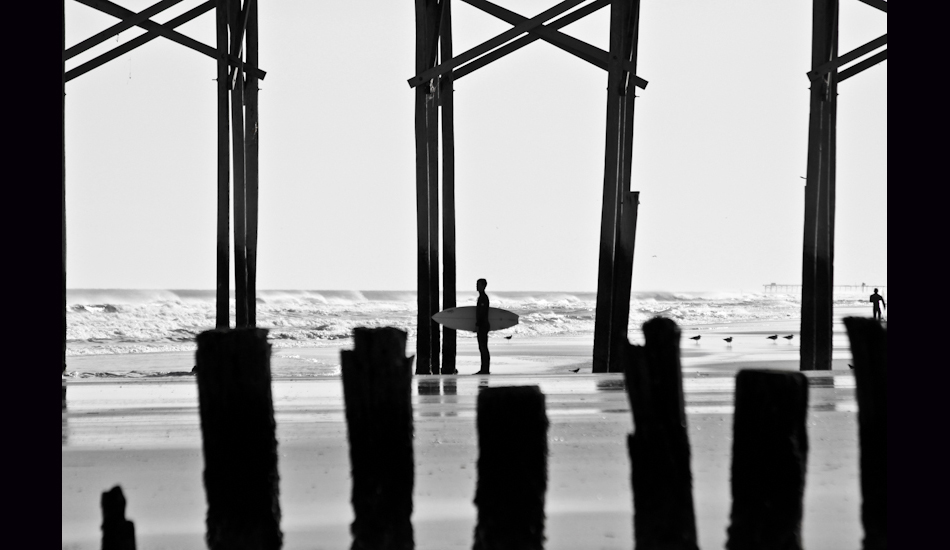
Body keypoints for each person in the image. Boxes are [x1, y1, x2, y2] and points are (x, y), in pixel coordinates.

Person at [474, 278, 491, 374]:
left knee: (483, 347)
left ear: (483, 286)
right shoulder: (482, 297)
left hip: (483, 325)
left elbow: (482, 313)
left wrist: (477, 325)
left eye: (478, 284)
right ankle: (484, 368)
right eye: (476, 284)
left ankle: (485, 369)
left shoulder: (483, 298)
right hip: (483, 325)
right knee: (482, 347)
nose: (477, 286)